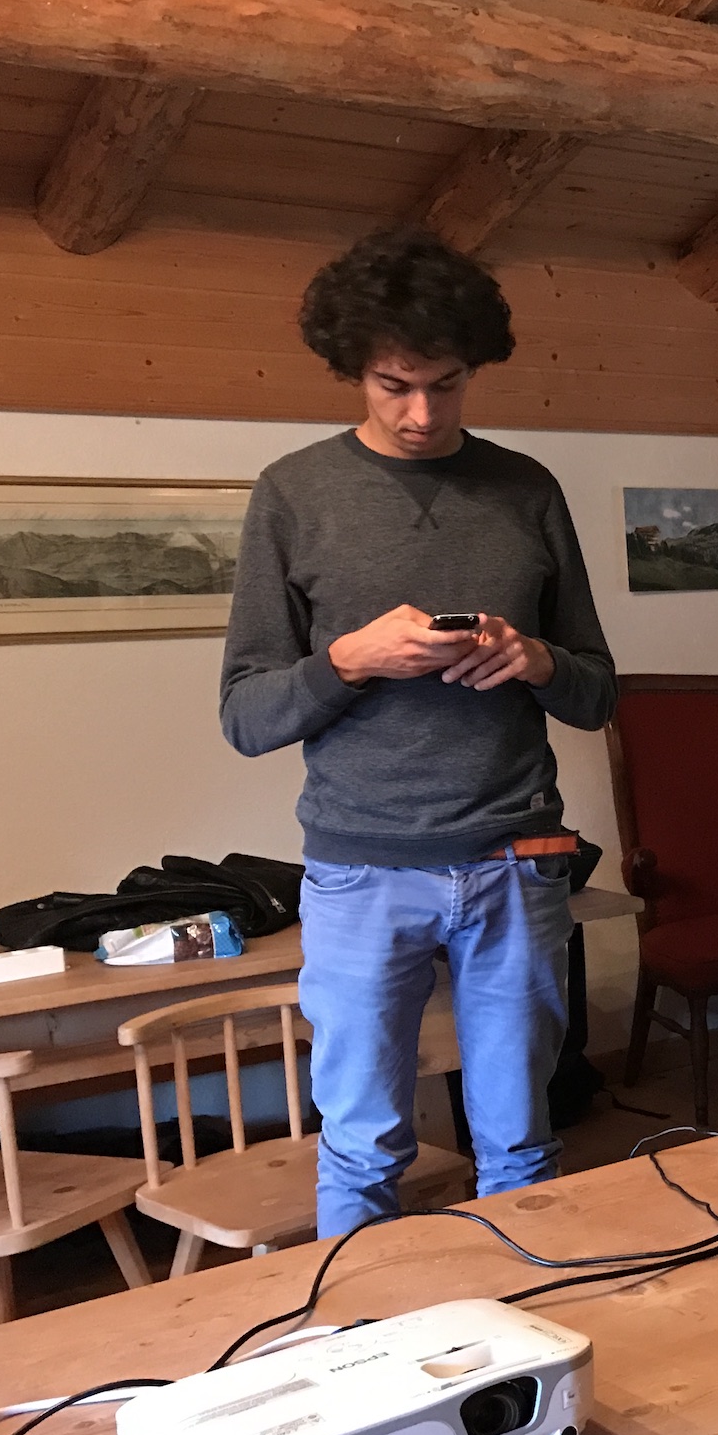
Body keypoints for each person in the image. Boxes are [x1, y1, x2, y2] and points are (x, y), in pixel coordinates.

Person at [220, 228, 616, 1239]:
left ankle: (523, 1322)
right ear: (353, 367)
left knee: (522, 1140)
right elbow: (246, 716)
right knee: (362, 1146)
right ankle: (364, 1327)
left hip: (517, 860)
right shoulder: (293, 493)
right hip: (360, 872)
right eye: (395, 386)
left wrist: (534, 659)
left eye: (446, 385)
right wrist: (351, 659)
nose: (423, 414)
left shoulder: (527, 489)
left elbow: (597, 693)